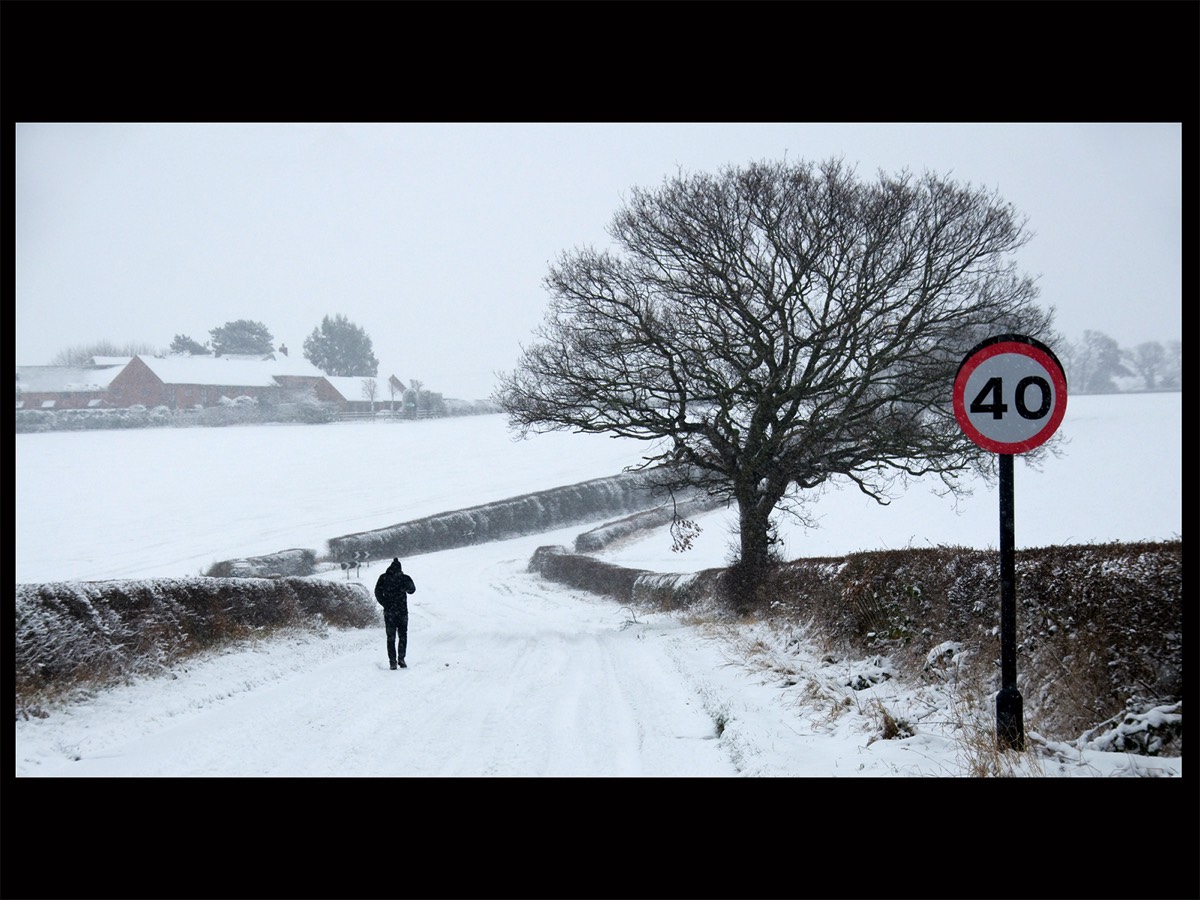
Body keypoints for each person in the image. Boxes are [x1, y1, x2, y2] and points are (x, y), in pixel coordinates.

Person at [375, 557, 416, 669]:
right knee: (403, 635)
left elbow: (377, 592)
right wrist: (405, 587)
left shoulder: (383, 578)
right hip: (402, 611)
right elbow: (412, 590)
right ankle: (401, 659)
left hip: (389, 612)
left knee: (390, 637)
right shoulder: (404, 578)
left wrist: (385, 603)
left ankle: (392, 661)